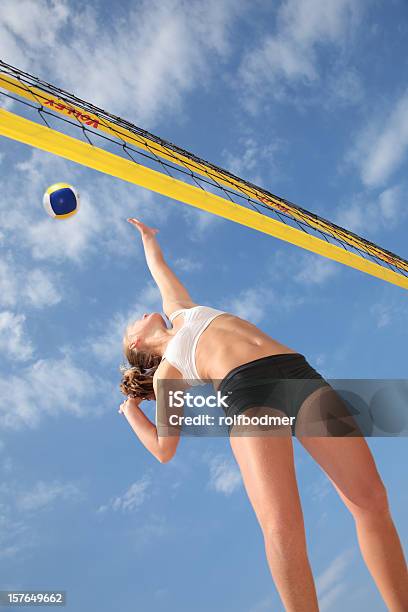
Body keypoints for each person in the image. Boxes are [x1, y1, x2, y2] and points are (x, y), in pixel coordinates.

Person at [119, 217, 408, 612]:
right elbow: (164, 448)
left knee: (371, 500)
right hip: (250, 395)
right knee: (283, 529)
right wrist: (132, 412)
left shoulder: (182, 310)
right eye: (132, 323)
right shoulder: (169, 373)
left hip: (299, 375)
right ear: (136, 343)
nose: (141, 312)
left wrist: (148, 239)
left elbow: (160, 270)